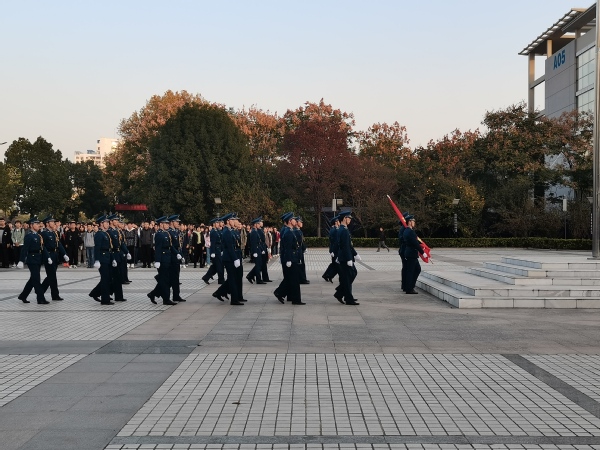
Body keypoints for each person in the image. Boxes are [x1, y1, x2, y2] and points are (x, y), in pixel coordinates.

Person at [16, 216, 51, 304]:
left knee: (33, 279)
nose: (39, 225)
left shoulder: (38, 235)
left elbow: (42, 248)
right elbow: (25, 249)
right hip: (32, 259)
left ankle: (23, 296)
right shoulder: (29, 236)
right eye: (36, 224)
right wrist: (21, 260)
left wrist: (48, 257)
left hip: (38, 259)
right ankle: (40, 298)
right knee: (36, 279)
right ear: (31, 225)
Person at [214, 213, 243, 305]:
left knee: (234, 278)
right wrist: (235, 259)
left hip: (233, 256)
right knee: (232, 279)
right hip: (229, 258)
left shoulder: (231, 231)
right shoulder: (226, 232)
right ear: (228, 221)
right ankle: (234, 299)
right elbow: (230, 247)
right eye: (233, 220)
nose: (235, 221)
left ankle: (221, 292)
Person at [148, 216, 177, 305]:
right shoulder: (159, 234)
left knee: (165, 279)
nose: (168, 225)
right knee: (164, 280)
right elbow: (158, 248)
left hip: (168, 258)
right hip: (162, 259)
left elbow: (170, 246)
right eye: (166, 223)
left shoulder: (166, 233)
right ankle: (166, 299)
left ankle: (153, 294)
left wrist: (177, 253)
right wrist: (157, 261)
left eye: (168, 223)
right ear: (161, 224)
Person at [40, 215, 70, 300]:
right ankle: (54, 295)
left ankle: (40, 290)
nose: (54, 223)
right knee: (52, 276)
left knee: (51, 276)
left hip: (54, 255)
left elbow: (58, 244)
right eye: (52, 222)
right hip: (48, 255)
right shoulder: (44, 233)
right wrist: (47, 257)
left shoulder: (53, 233)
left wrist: (64, 254)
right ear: (47, 223)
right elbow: (43, 246)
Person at [279, 212, 304, 305]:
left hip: (293, 257)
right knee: (294, 279)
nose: (295, 221)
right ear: (290, 221)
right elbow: (288, 247)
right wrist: (288, 259)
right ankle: (295, 299)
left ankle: (287, 296)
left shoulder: (290, 230)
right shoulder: (288, 232)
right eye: (293, 219)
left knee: (293, 279)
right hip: (291, 258)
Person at [335, 211, 360, 306]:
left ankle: (341, 293)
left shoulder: (344, 229)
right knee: (348, 276)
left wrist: (355, 254)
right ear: (344, 218)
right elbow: (345, 246)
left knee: (351, 275)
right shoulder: (343, 230)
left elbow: (349, 245)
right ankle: (347, 298)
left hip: (345, 256)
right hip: (345, 258)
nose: (350, 220)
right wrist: (349, 258)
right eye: (348, 218)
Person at [402, 214, 424, 294]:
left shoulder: (407, 231)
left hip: (410, 253)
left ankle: (409, 287)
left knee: (414, 270)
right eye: (413, 221)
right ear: (409, 222)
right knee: (413, 271)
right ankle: (410, 288)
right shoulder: (410, 232)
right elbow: (415, 243)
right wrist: (422, 252)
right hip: (412, 254)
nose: (414, 222)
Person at [167, 215, 185, 302]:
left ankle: (176, 295)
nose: (178, 223)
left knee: (175, 278)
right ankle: (155, 293)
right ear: (171, 222)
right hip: (172, 257)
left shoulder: (176, 231)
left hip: (177, 256)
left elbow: (179, 245)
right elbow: (171, 246)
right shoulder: (169, 232)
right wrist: (177, 254)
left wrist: (181, 255)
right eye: (176, 222)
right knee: (173, 278)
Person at [203, 217, 224, 285]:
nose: (218, 224)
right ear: (214, 224)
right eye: (217, 223)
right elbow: (213, 242)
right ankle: (221, 280)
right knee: (219, 266)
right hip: (216, 251)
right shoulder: (213, 232)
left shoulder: (217, 231)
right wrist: (212, 252)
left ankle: (206, 277)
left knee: (215, 266)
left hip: (218, 250)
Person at [322, 216, 340, 284]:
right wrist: (332, 251)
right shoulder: (334, 230)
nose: (339, 222)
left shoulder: (335, 229)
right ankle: (329, 276)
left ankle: (326, 275)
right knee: (337, 265)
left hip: (335, 250)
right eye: (338, 221)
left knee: (334, 264)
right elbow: (333, 241)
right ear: (336, 222)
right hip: (335, 250)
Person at [295, 217, 310, 284]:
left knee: (302, 265)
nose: (301, 223)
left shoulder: (299, 231)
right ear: (297, 223)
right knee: (300, 265)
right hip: (298, 250)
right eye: (300, 222)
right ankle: (301, 279)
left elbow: (302, 241)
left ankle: (303, 278)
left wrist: (304, 248)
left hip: (300, 250)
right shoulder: (296, 231)